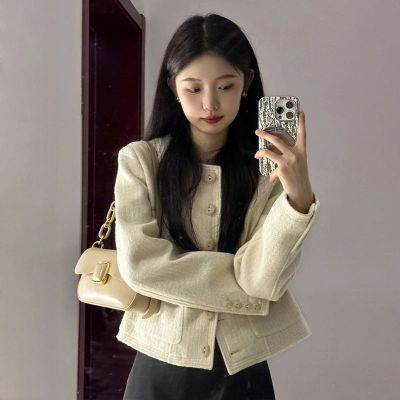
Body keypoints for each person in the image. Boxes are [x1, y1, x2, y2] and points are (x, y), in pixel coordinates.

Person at [114, 13, 320, 400]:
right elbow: (140, 267)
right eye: (194, 88)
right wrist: (241, 281)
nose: (210, 103)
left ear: (247, 84)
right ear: (172, 87)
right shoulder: (141, 162)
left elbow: (265, 282)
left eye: (226, 86)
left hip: (242, 371)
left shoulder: (269, 169)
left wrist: (298, 198)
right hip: (160, 364)